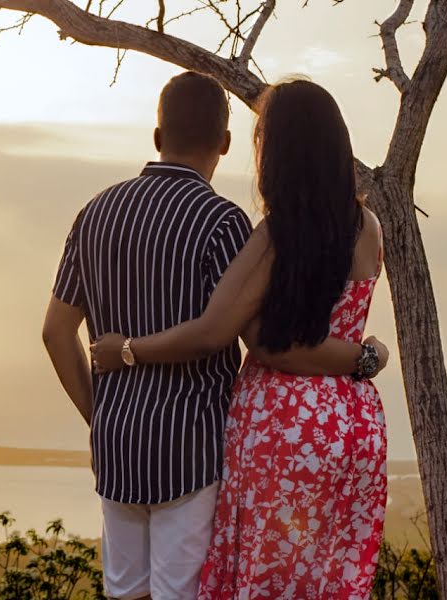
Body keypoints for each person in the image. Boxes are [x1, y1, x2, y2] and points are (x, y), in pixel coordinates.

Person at [42, 72, 383, 600]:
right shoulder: (228, 222)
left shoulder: (96, 213)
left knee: (127, 590)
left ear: (157, 137)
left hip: (140, 439)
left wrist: (101, 410)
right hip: (231, 440)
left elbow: (56, 330)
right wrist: (364, 355)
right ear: (223, 144)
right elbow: (254, 336)